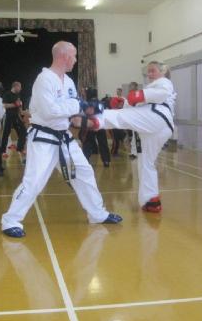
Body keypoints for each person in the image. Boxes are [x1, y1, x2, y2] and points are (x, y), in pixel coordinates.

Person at [1, 41, 122, 238]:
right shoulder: (44, 80)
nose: (75, 60)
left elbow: (71, 113)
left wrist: (90, 113)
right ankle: (10, 220)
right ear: (64, 56)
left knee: (84, 172)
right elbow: (50, 111)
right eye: (73, 56)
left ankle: (97, 213)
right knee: (34, 181)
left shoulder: (69, 82)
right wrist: (79, 105)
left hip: (64, 137)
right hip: (43, 138)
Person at [72, 61, 176, 213]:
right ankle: (151, 200)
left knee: (121, 117)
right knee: (146, 162)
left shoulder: (164, 82)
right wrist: (124, 102)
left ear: (163, 72)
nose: (149, 74)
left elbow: (161, 94)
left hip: (158, 117)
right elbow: (136, 107)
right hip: (159, 128)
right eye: (148, 71)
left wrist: (139, 95)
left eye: (152, 70)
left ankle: (96, 119)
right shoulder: (151, 87)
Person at [80, 87, 111, 167]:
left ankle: (85, 159)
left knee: (87, 143)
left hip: (90, 125)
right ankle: (106, 161)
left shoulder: (86, 104)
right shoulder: (101, 102)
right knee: (103, 143)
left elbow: (83, 114)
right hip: (100, 125)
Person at [1, 81, 27, 159]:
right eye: (19, 87)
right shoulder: (7, 94)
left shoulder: (18, 95)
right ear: (15, 86)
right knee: (6, 134)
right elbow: (4, 105)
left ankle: (20, 148)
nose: (21, 88)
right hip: (8, 116)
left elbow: (19, 107)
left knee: (22, 131)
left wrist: (21, 116)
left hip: (16, 116)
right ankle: (2, 151)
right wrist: (14, 104)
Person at [109, 88, 126, 156]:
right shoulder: (113, 99)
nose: (118, 92)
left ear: (121, 92)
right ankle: (114, 152)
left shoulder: (124, 100)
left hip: (120, 122)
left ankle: (117, 149)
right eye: (117, 91)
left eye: (119, 91)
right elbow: (113, 108)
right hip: (114, 122)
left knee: (121, 135)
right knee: (115, 139)